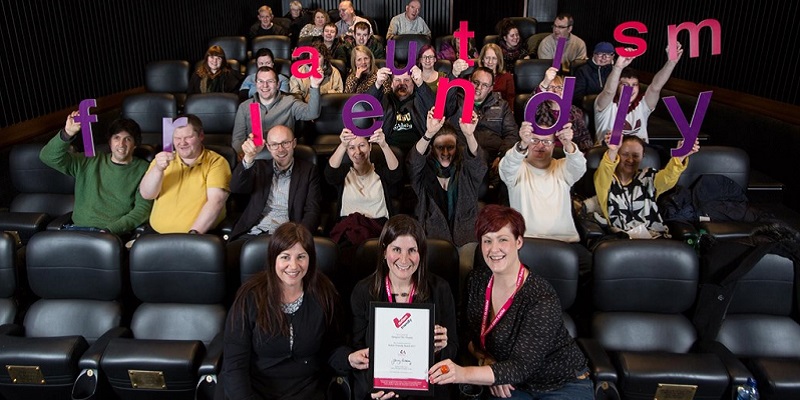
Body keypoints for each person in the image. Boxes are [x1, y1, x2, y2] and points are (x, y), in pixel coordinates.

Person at [428, 205, 592, 400]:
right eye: (487, 241)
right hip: (511, 384)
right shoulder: (477, 281)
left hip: (561, 384)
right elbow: (466, 333)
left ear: (519, 242)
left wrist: (461, 373)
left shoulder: (540, 295)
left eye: (502, 240)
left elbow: (521, 367)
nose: (493, 249)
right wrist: (487, 363)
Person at [221, 222, 356, 400]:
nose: (293, 266)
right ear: (273, 259)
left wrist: (349, 358)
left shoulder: (324, 293)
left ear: (311, 259)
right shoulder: (250, 296)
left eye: (301, 257)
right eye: (285, 257)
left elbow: (331, 348)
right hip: (254, 389)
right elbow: (234, 365)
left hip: (306, 390)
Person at [350, 214, 458, 400]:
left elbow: (454, 349)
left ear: (421, 254)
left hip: (427, 389)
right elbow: (356, 348)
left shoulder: (440, 289)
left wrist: (440, 348)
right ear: (384, 251)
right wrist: (373, 386)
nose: (404, 259)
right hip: (380, 392)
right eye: (397, 249)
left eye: (412, 251)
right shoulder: (363, 291)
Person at [498, 121, 592, 277]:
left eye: (547, 141)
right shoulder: (516, 170)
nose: (540, 146)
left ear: (554, 145)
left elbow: (579, 166)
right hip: (527, 243)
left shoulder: (562, 167)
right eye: (534, 140)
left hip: (566, 242)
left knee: (590, 265)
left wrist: (568, 144)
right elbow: (507, 166)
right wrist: (522, 144)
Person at [39, 113, 152, 237]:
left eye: (128, 139)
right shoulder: (90, 160)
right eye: (117, 138)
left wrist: (111, 230)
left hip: (112, 234)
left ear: (135, 144)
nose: (121, 144)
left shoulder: (144, 169)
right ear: (110, 142)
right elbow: (48, 156)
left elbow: (142, 210)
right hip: (77, 230)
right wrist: (67, 133)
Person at [594, 133, 699, 238]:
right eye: (625, 154)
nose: (630, 160)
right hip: (619, 240)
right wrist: (612, 150)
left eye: (636, 155)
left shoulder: (649, 177)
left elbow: (668, 178)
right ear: (618, 154)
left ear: (643, 156)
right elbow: (605, 170)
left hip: (653, 238)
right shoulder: (605, 180)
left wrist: (679, 157)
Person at [139, 114, 231, 234]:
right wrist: (158, 169)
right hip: (156, 234)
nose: (182, 143)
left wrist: (194, 234)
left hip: (197, 236)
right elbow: (147, 194)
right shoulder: (161, 160)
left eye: (188, 137)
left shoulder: (216, 162)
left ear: (201, 136)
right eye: (177, 138)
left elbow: (216, 201)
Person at [408, 108, 486, 247]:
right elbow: (413, 162)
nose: (445, 152)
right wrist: (429, 134)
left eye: (450, 147)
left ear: (457, 148)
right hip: (432, 241)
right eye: (439, 147)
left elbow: (478, 164)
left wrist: (469, 135)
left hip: (466, 241)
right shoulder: (423, 173)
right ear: (432, 148)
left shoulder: (465, 171)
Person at [229, 125, 321, 240]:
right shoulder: (258, 167)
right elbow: (236, 188)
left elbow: (312, 211)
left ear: (294, 143)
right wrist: (249, 157)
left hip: (287, 237)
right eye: (274, 145)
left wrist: (299, 238)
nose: (280, 149)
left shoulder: (308, 171)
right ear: (268, 147)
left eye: (285, 143)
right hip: (253, 232)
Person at [325, 128, 403, 246]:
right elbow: (330, 174)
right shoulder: (343, 173)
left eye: (362, 145)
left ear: (370, 146)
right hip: (348, 230)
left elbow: (396, 174)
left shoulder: (381, 172)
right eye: (351, 148)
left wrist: (384, 145)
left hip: (378, 230)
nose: (358, 151)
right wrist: (343, 145)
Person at [594, 42, 684, 144]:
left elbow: (655, 87)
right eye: (625, 85)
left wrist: (671, 62)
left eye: (634, 85)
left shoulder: (642, 104)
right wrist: (618, 67)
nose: (630, 89)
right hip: (609, 154)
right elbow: (609, 92)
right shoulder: (605, 105)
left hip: (641, 155)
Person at [232, 66, 322, 157]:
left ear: (278, 84)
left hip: (283, 155)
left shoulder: (289, 102)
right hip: (256, 157)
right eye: (260, 81)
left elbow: (312, 114)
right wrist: (242, 155)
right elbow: (238, 139)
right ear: (256, 84)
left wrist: (315, 86)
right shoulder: (245, 107)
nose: (265, 85)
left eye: (270, 81)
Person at [444, 67, 518, 173]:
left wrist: (502, 156)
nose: (479, 87)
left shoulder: (502, 106)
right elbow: (445, 96)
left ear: (491, 88)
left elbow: (511, 134)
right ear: (469, 80)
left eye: (485, 85)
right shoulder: (456, 101)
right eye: (476, 82)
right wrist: (453, 74)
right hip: (461, 158)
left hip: (493, 159)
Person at [367, 66, 435, 153]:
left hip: (419, 150)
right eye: (397, 80)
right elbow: (366, 107)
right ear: (391, 84)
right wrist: (377, 83)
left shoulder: (420, 99)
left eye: (406, 80)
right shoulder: (384, 100)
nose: (402, 83)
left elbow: (435, 108)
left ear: (413, 83)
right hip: (388, 151)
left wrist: (420, 83)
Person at [534, 67, 594, 152]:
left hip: (569, 153)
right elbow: (532, 103)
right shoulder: (541, 108)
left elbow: (585, 139)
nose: (555, 91)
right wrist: (545, 82)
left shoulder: (575, 111)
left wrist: (581, 153)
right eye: (550, 87)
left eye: (559, 87)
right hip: (545, 151)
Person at [572, 42, 615, 107]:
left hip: (610, 107)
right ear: (594, 54)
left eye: (608, 55)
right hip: (589, 107)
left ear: (613, 56)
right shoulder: (583, 71)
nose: (604, 57)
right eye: (600, 54)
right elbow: (577, 97)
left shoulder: (615, 70)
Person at [479, 43, 515, 107]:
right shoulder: (475, 77)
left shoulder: (507, 77)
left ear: (498, 60)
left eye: (494, 58)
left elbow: (510, 101)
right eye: (487, 58)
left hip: (500, 113)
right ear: (482, 59)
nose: (490, 62)